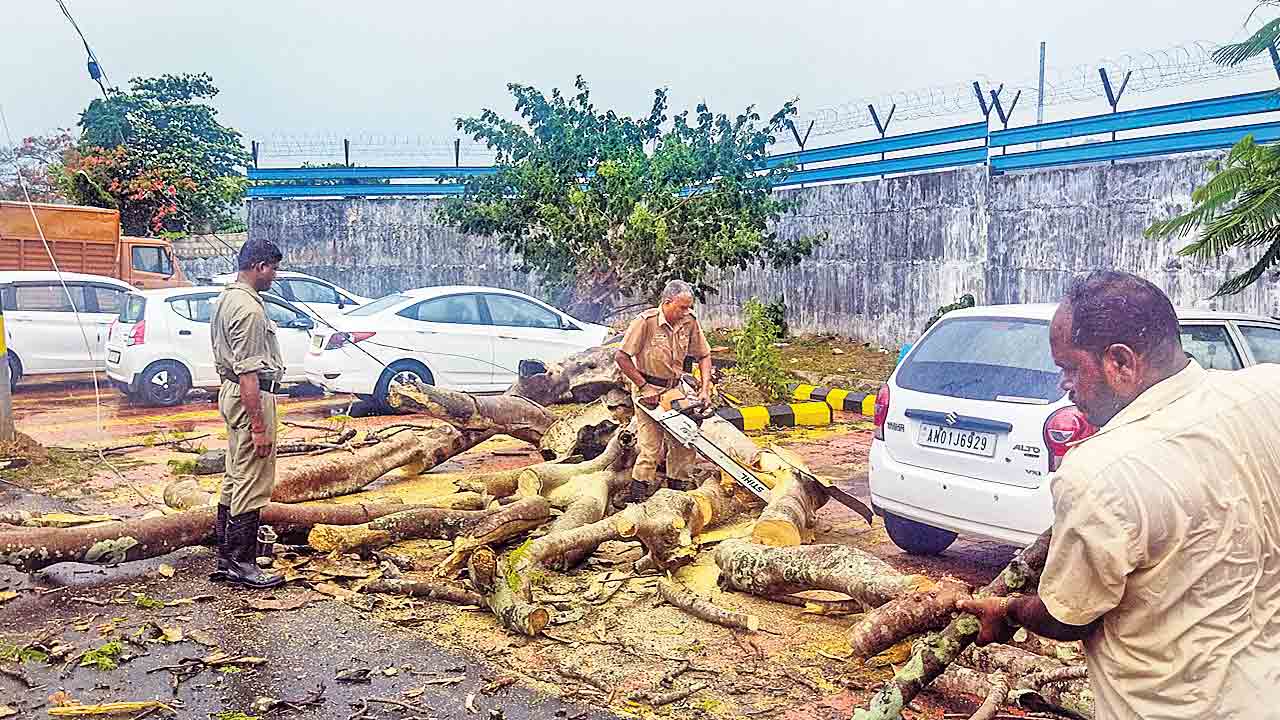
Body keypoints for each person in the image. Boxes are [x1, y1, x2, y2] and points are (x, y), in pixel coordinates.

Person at [960, 271, 1280, 719]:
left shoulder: (1097, 472)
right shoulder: (1266, 391)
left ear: (1122, 363)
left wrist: (1009, 609)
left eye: (1069, 368)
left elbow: (1069, 616)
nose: (1063, 385)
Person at [209, 239, 287, 589]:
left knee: (234, 476)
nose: (275, 275)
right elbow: (249, 374)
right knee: (251, 481)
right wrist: (259, 427)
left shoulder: (228, 297)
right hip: (250, 397)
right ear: (260, 267)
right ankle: (242, 563)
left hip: (231, 394)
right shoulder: (249, 310)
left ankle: (227, 559)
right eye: (273, 268)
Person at [614, 280, 714, 500]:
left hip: (674, 388)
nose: (686, 311)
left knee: (684, 442)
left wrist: (705, 389)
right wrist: (643, 386)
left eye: (689, 307)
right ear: (667, 303)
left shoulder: (689, 322)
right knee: (651, 447)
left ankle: (677, 492)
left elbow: (704, 355)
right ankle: (638, 495)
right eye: (682, 307)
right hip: (647, 390)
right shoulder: (645, 322)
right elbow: (621, 357)